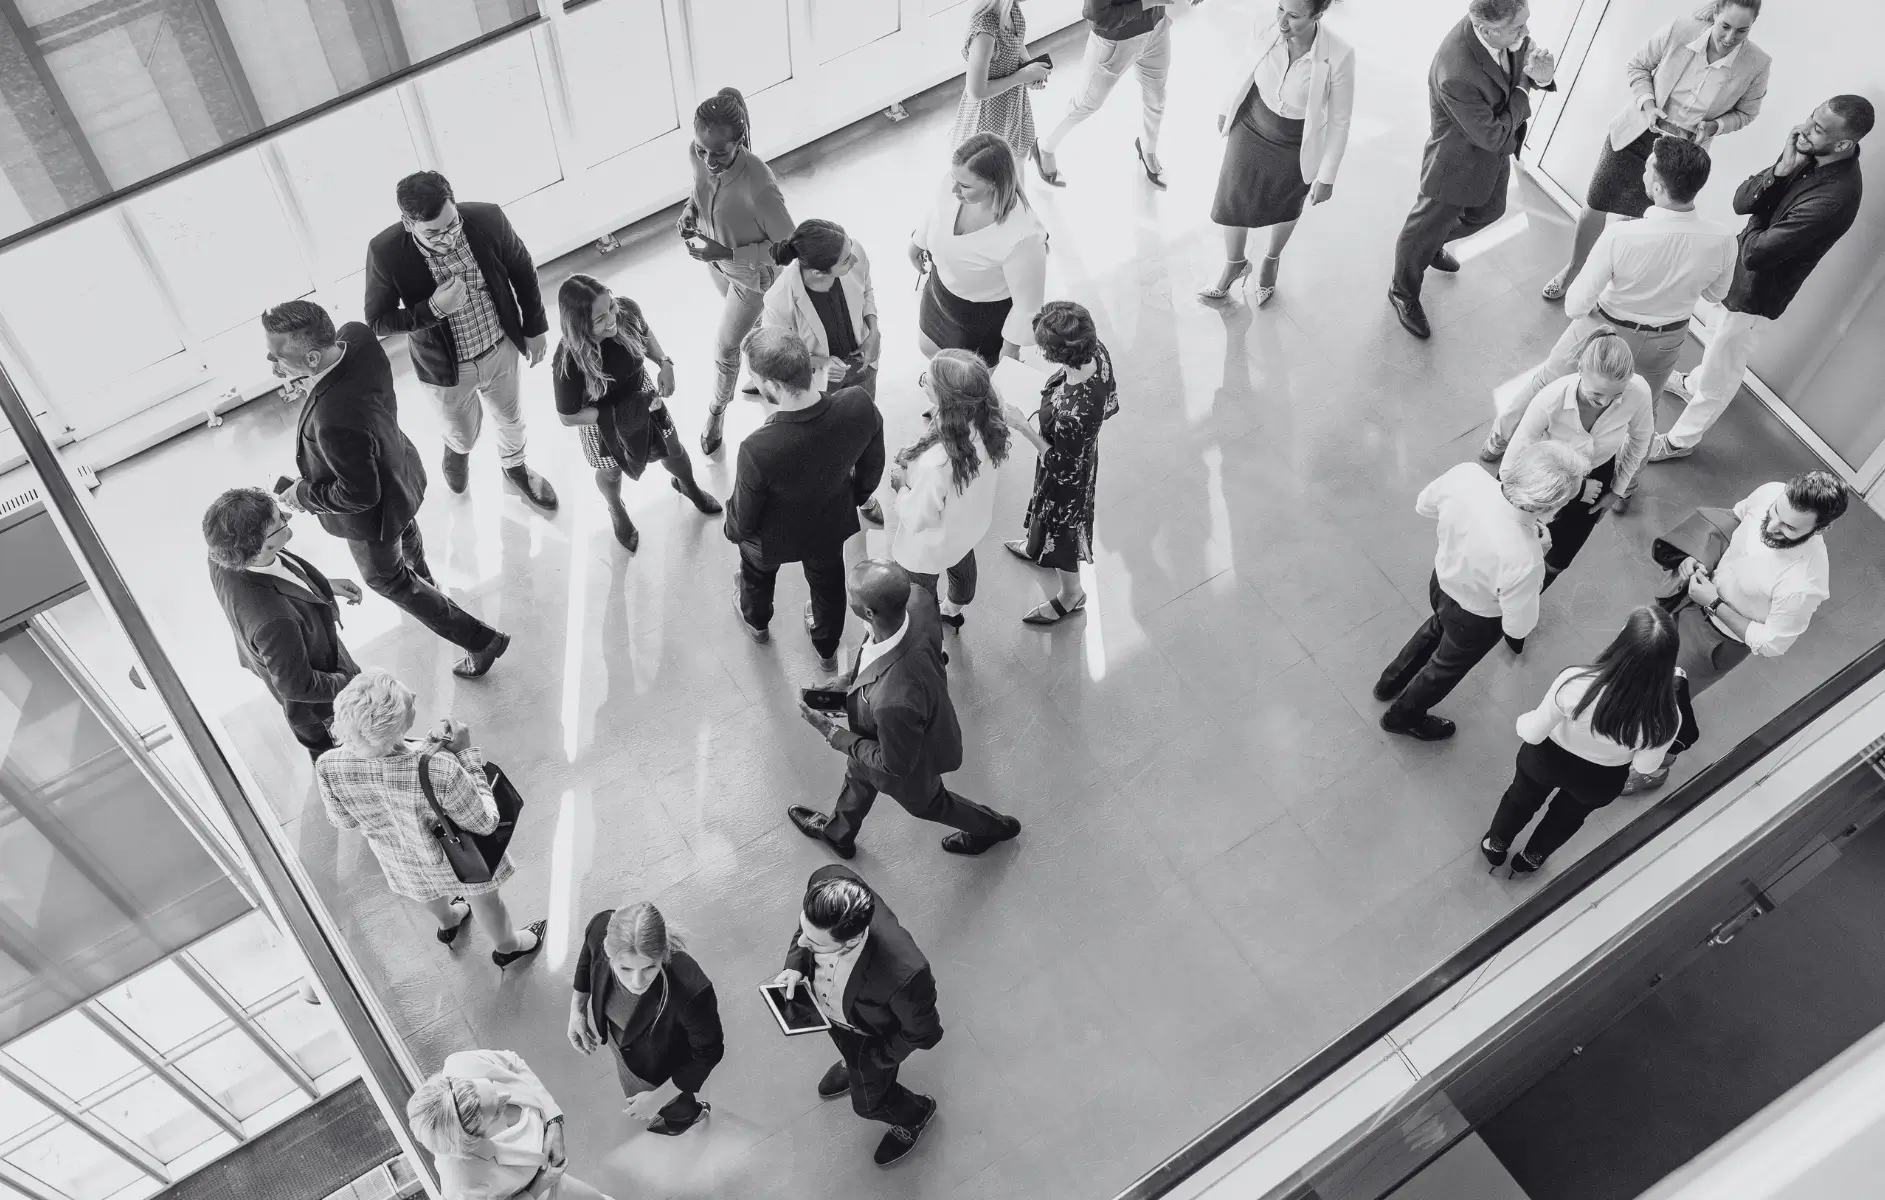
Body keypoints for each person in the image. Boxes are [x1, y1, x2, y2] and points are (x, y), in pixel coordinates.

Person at [264, 301, 510, 680]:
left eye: (277, 356)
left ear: (312, 357)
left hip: (371, 518)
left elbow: (359, 495)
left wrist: (303, 495)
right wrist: (303, 374)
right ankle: (425, 576)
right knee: (405, 529)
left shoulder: (332, 419)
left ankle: (481, 641)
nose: (272, 362)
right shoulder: (357, 336)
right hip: (399, 469)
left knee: (387, 579)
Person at [1653, 96, 1872, 462]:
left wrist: (1761, 213)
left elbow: (1757, 252)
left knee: (1724, 368)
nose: (1804, 129)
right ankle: (1692, 384)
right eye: (1811, 116)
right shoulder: (1805, 154)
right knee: (1717, 341)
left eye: (1818, 129)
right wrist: (1781, 171)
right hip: (1737, 275)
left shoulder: (1835, 198)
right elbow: (1742, 202)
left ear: (1843, 144)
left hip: (1757, 292)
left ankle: (1680, 441)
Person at [1483, 135, 1731, 456]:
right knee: (1645, 412)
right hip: (1665, 342)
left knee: (1546, 381)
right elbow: (1715, 294)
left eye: (1647, 169)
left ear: (1657, 188)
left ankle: (1499, 441)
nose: (1643, 173)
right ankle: (1628, 480)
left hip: (1604, 329)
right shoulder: (1723, 239)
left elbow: (1575, 306)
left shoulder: (1621, 235)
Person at [1627, 472, 1846, 793]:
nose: (1773, 527)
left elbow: (1771, 643)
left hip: (1716, 639)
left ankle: (1657, 767)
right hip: (1689, 596)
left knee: (1667, 698)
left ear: (1821, 529)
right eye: (1776, 513)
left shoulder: (1804, 583)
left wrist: (1713, 603)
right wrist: (1696, 558)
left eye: (1790, 528)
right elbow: (1736, 518)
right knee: (1641, 662)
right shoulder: (1771, 492)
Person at [790, 560, 1022, 857]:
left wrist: (832, 732)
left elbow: (895, 765)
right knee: (858, 774)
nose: (847, 598)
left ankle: (994, 828)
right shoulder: (917, 601)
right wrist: (849, 679)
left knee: (929, 804)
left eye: (851, 595)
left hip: (907, 758)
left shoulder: (893, 700)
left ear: (869, 612)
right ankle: (839, 835)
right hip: (881, 732)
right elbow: (876, 650)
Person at [1542, 1, 1770, 301]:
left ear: (1753, 25)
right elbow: (1638, 66)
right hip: (1636, 134)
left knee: (1639, 223)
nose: (1729, 38)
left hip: (1680, 156)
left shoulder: (1757, 64)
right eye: (1725, 26)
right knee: (1596, 202)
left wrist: (1716, 126)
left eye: (1741, 31)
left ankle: (1602, 284)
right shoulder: (1680, 30)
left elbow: (1747, 113)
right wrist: (1648, 104)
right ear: (1715, 13)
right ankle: (1574, 268)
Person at [316, 670, 545, 968]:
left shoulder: (328, 765)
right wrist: (465, 755)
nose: (414, 696)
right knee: (484, 899)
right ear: (394, 727)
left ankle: (449, 920)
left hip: (400, 858)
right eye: (408, 703)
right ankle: (509, 946)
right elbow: (486, 822)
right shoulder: (440, 769)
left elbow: (344, 822)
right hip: (457, 857)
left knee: (426, 892)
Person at [365, 171, 557, 513]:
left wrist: (535, 326)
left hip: (500, 346)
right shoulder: (385, 252)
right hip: (445, 369)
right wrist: (433, 309)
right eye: (433, 233)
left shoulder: (488, 218)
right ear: (408, 224)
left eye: (453, 224)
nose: (448, 238)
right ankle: (456, 450)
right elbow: (378, 320)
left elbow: (521, 267)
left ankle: (515, 467)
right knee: (463, 434)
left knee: (511, 419)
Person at [1374, 442, 1589, 741]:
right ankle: (1401, 717)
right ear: (1546, 507)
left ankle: (1389, 682)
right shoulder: (1526, 559)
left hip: (1442, 581)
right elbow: (1518, 626)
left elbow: (1424, 505)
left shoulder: (1467, 476)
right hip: (1475, 619)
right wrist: (1539, 550)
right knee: (1445, 668)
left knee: (1435, 626)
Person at [1389, 0, 1557, 340]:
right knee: (1421, 230)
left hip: (1495, 150)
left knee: (1491, 211)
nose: (1526, 34)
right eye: (1518, 28)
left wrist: (1543, 77)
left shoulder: (1506, 32)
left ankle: (1432, 245)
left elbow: (1524, 64)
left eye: (1526, 23)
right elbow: (1492, 134)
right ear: (1485, 30)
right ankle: (1402, 292)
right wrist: (1524, 89)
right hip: (1457, 161)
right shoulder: (1455, 72)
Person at [1483, 606, 1691, 877]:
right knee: (1567, 819)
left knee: (1520, 799)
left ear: (1622, 641)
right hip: (1601, 779)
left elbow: (1533, 733)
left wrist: (1522, 720)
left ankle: (1497, 845)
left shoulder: (1576, 681)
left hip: (1547, 759)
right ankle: (1531, 858)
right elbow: (1645, 766)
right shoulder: (1667, 716)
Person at [725, 328, 885, 672]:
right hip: (828, 523)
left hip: (769, 538)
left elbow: (744, 517)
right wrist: (853, 497)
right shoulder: (857, 404)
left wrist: (732, 530)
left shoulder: (758, 448)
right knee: (828, 584)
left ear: (771, 384)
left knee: (755, 576)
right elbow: (872, 466)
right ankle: (826, 649)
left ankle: (757, 623)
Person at [769, 866, 943, 1167]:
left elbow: (925, 1032)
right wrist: (795, 965)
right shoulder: (827, 883)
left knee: (869, 1105)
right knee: (845, 1048)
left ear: (850, 941)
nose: (802, 943)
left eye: (815, 943)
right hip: (840, 1020)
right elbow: (804, 935)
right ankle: (851, 1065)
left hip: (871, 1039)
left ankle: (916, 1113)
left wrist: (879, 1059)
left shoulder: (905, 975)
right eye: (804, 929)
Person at [552, 274, 720, 555]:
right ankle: (616, 508)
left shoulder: (626, 310)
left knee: (673, 449)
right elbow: (567, 416)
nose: (612, 320)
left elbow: (645, 332)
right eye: (600, 319)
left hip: (643, 396)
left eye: (611, 307)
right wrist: (614, 416)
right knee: (611, 472)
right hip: (600, 419)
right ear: (580, 326)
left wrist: (664, 362)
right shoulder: (568, 359)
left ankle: (688, 485)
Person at [1201, 0, 1355, 306]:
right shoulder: (1263, 24)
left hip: (1296, 140)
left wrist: (1327, 176)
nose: (1282, 21)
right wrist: (1225, 107)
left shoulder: (1339, 55)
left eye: (1294, 15)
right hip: (1251, 121)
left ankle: (1271, 259)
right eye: (1280, 8)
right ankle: (1234, 263)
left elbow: (1340, 120)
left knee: (1285, 202)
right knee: (1233, 194)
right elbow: (1245, 64)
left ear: (1318, 15)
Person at [203, 488, 362, 760]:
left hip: (299, 650)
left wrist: (321, 586)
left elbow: (281, 576)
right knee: (341, 758)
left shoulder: (224, 555)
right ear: (263, 546)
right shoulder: (274, 622)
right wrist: (349, 682)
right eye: (280, 521)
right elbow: (298, 686)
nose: (288, 516)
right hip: (324, 708)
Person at [682, 88, 795, 457]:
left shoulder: (759, 186)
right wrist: (689, 212)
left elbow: (788, 248)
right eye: (702, 150)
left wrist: (729, 252)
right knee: (755, 328)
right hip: (715, 263)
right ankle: (763, 375)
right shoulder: (698, 154)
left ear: (740, 140)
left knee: (726, 345)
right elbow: (700, 188)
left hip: (750, 276)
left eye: (719, 153)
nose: (708, 160)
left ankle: (716, 411)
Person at [1496, 330, 1653, 589]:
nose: (1606, 402)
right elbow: (1510, 469)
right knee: (1513, 546)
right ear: (1580, 368)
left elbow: (1640, 440)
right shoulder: (1549, 400)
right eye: (1597, 394)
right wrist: (1576, 489)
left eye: (1616, 395)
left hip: (1598, 475)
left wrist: (1617, 490)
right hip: (1546, 474)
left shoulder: (1638, 391)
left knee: (1558, 559)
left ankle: (1532, 594)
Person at [1001, 301, 1116, 625]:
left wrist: (1023, 426)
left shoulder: (1073, 415)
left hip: (1066, 477)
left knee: (1062, 529)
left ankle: (1071, 594)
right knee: (1044, 509)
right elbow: (1109, 400)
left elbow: (1059, 466)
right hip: (1078, 454)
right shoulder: (1097, 352)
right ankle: (1035, 546)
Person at [761, 220, 884, 522]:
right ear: (818, 272)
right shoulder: (779, 301)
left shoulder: (854, 253)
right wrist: (821, 364)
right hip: (820, 385)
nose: (853, 259)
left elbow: (867, 290)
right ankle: (844, 492)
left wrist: (873, 331)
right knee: (831, 443)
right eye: (845, 260)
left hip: (862, 366)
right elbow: (779, 355)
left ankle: (863, 493)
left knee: (862, 430)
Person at [568, 902, 723, 1137]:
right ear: (608, 952)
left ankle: (686, 1116)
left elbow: (709, 1052)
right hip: (625, 1047)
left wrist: (658, 1097)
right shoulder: (601, 927)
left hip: (664, 1067)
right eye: (625, 969)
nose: (637, 982)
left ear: (664, 953)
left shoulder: (691, 990)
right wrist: (577, 1009)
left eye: (650, 967)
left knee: (675, 1106)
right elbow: (587, 959)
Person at [890, 351, 1010, 629]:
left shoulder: (935, 463)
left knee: (920, 596)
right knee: (961, 564)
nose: (923, 383)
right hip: (968, 526)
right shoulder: (991, 419)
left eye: (927, 381)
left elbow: (917, 518)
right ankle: (954, 607)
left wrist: (901, 487)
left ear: (946, 399)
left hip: (929, 545)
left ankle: (931, 634)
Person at [910, 133, 1049, 367]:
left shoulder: (1024, 236)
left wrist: (1009, 351)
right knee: (929, 348)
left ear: (993, 183)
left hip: (981, 319)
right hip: (939, 291)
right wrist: (917, 243)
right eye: (954, 178)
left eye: (964, 186)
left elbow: (1027, 305)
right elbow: (935, 213)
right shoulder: (953, 184)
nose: (953, 189)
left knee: (972, 372)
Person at [407, 1049, 615, 1200]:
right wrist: (538, 1187)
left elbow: (513, 1063)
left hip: (560, 1185)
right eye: (495, 1111)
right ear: (473, 1137)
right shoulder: (461, 1180)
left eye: (491, 1087)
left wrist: (553, 1121)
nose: (505, 1096)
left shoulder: (462, 1065)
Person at [1035, 0, 1190, 189]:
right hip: (1115, 40)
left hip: (1157, 26)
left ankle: (1148, 149)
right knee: (1087, 103)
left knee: (1157, 97)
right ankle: (1045, 147)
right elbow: (1098, 14)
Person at [952, 0, 1052, 175]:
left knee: (1018, 156)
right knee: (994, 171)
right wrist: (1020, 76)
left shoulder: (1010, 7)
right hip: (990, 113)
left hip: (1014, 101)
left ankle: (1017, 190)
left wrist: (1028, 67)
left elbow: (1016, 42)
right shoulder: (985, 32)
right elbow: (976, 91)